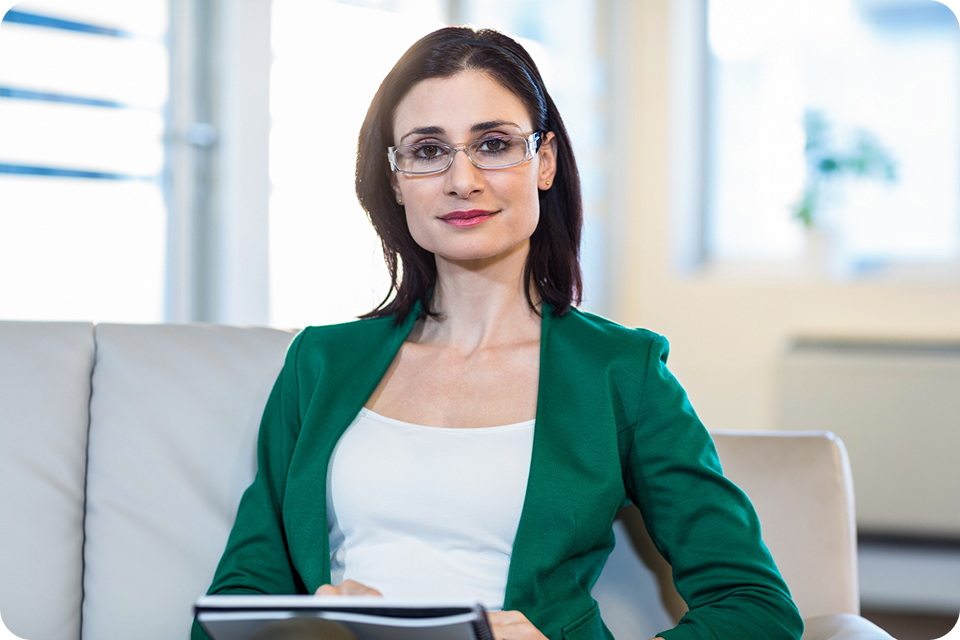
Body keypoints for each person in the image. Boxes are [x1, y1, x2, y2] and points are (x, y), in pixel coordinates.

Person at [193, 26, 803, 640]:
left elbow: (755, 607)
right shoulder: (320, 361)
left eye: (492, 143)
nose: (463, 180)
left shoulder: (623, 372)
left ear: (544, 163)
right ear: (397, 180)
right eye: (428, 150)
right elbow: (242, 592)